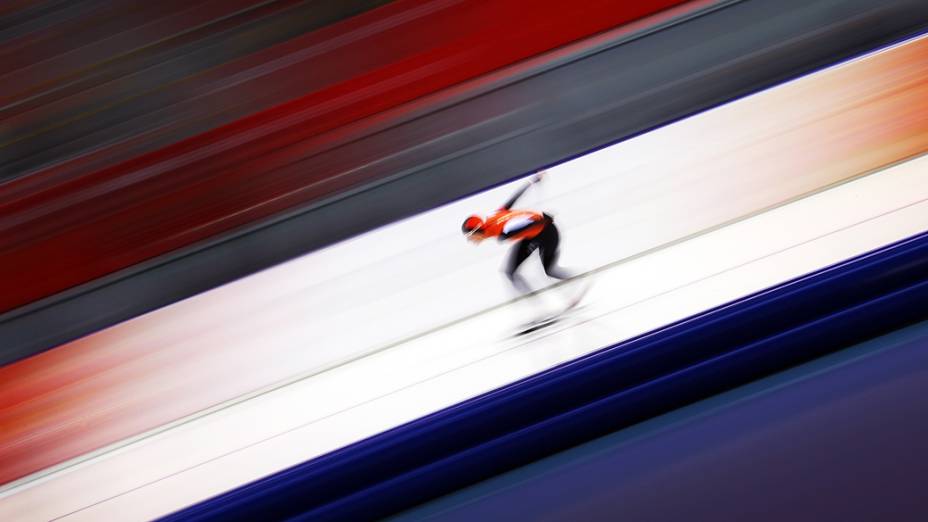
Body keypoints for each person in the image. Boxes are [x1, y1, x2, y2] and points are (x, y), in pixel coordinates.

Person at [461, 170, 585, 310]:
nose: (471, 241)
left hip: (547, 233)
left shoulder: (504, 232)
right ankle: (539, 308)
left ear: (478, 231)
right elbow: (511, 201)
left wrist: (546, 219)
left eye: (470, 237)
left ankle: (578, 281)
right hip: (532, 234)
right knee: (510, 272)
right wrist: (532, 181)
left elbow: (527, 224)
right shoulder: (493, 217)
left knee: (549, 271)